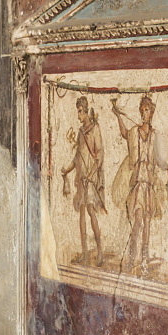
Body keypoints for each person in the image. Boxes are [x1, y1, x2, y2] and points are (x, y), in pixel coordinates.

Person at [112, 95, 168, 270]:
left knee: (147, 223)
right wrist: (117, 116)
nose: (144, 113)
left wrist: (167, 168)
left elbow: (158, 159)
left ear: (151, 112)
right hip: (138, 182)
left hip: (149, 184)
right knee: (138, 221)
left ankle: (144, 259)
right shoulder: (135, 132)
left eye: (147, 110)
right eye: (142, 110)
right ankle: (132, 257)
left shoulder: (154, 135)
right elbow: (125, 134)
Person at [61, 96, 105, 266]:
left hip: (90, 179)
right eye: (77, 111)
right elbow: (77, 157)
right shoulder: (80, 133)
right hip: (81, 179)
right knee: (81, 214)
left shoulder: (95, 129)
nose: (78, 115)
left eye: (80, 111)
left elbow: (99, 155)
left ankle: (100, 251)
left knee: (91, 212)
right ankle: (85, 253)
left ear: (86, 111)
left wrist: (91, 174)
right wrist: (67, 169)